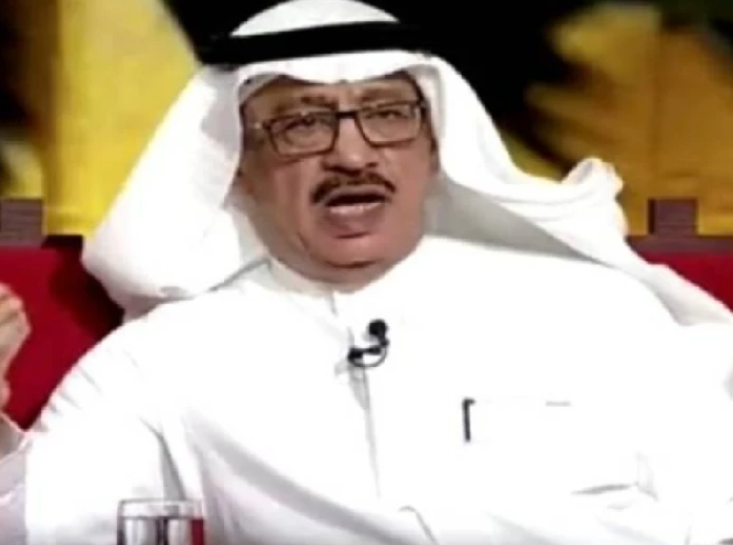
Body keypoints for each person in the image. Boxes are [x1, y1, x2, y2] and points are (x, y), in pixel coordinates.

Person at [3, 0, 733, 543]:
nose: (351, 155)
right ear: (238, 165)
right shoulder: (165, 359)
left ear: (434, 147)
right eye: (302, 124)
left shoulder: (594, 309)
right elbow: (41, 527)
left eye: (386, 115)